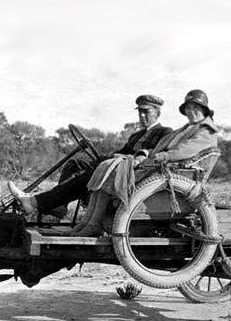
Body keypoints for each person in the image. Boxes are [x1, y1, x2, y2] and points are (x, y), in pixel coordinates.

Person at [71, 89, 219, 236]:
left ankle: (93, 224)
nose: (191, 111)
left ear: (204, 110)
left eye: (195, 108)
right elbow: (163, 147)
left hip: (170, 175)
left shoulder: (206, 131)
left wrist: (158, 157)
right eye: (188, 108)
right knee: (106, 168)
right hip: (160, 168)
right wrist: (147, 154)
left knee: (112, 172)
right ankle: (88, 223)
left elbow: (183, 151)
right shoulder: (187, 128)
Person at [8, 94, 172, 217]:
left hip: (133, 177)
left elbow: (156, 154)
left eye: (146, 112)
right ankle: (59, 207)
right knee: (76, 163)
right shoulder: (136, 135)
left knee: (90, 174)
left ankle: (36, 201)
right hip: (119, 169)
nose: (142, 116)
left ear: (157, 113)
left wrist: (139, 155)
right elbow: (122, 151)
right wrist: (112, 156)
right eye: (140, 112)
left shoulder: (164, 132)